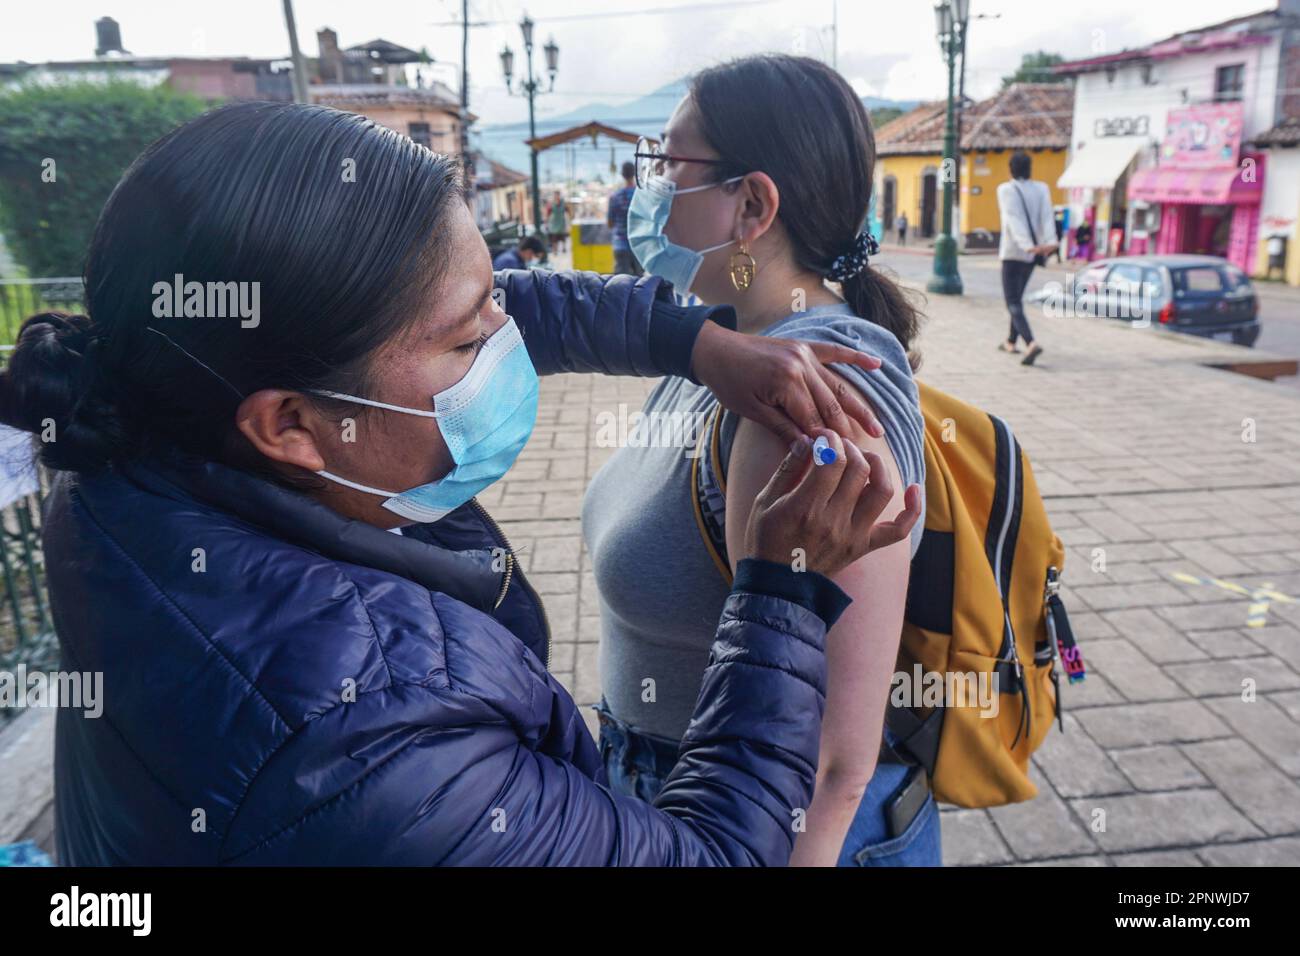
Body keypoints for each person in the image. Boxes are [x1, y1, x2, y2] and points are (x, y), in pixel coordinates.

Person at [6, 101, 919, 865]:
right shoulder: (377, 747)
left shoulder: (128, 448)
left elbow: (507, 303)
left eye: (496, 300)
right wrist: (783, 590)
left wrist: (693, 342)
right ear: (290, 424)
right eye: (466, 341)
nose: (505, 336)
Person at [584, 54, 935, 867]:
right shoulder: (723, 350)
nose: (651, 187)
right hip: (672, 797)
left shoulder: (799, 404)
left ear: (751, 204)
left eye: (670, 163)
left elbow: (831, 760)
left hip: (763, 832)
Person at [996, 150, 1055, 365]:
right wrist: (1049, 242)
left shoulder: (1006, 189)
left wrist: (1027, 246)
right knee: (1017, 299)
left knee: (1012, 301)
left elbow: (1013, 219)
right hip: (1034, 254)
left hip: (1014, 252)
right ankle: (1011, 341)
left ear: (1011, 168)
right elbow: (1047, 216)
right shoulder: (1041, 188)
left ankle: (1030, 342)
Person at [607, 162, 640, 275]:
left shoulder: (615, 197)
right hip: (639, 245)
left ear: (622, 175)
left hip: (620, 244)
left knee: (621, 284)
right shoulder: (641, 195)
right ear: (634, 173)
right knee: (640, 284)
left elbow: (610, 223)